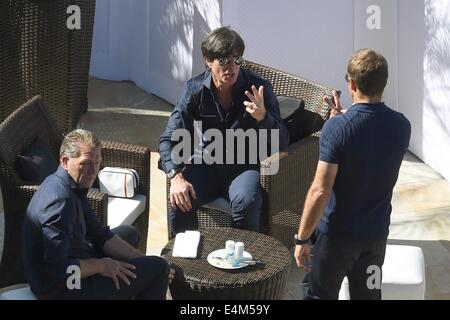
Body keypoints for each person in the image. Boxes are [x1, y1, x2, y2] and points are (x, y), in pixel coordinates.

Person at [294, 49, 411, 300]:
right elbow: (370, 135)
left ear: (352, 83)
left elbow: (320, 191)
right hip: (375, 238)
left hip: (335, 239)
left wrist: (301, 238)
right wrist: (342, 119)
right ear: (384, 82)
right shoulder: (402, 126)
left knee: (318, 295)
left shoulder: (336, 129)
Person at [159, 26, 288, 235]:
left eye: (237, 60)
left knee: (246, 202)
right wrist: (175, 176)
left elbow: (282, 142)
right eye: (224, 61)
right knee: (179, 200)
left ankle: (244, 261)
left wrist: (264, 118)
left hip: (244, 166)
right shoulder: (194, 90)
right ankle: (183, 263)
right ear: (208, 60)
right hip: (207, 163)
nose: (232, 67)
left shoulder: (259, 88)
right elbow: (168, 139)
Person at [22, 129, 174, 299]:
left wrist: (142, 261)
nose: (93, 170)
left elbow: (99, 234)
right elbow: (59, 270)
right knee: (160, 268)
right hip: (63, 288)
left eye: (97, 162)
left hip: (77, 260)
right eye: (86, 163)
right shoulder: (59, 202)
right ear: (65, 161)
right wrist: (101, 266)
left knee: (129, 233)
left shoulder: (71, 184)